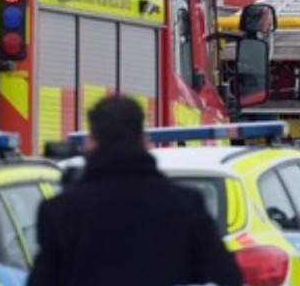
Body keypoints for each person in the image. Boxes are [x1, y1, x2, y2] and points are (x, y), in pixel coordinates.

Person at [27, 94, 243, 286]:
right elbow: (227, 276)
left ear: (91, 142)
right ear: (145, 141)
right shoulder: (186, 204)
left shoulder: (58, 212)